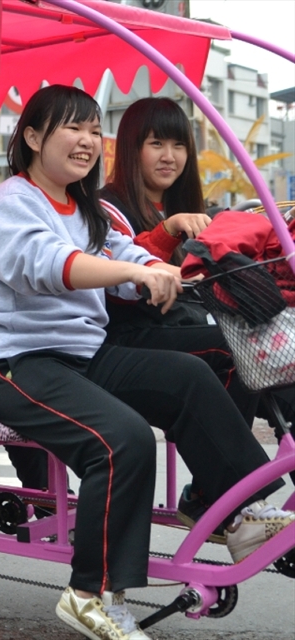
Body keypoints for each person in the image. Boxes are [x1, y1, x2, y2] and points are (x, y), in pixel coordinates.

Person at [0, 85, 292, 640]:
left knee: (195, 370)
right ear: (35, 137)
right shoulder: (12, 201)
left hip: (83, 356)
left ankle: (235, 513)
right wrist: (133, 275)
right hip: (12, 363)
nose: (88, 140)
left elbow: (127, 251)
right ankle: (90, 593)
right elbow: (45, 264)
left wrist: (168, 270)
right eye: (73, 128)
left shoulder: (86, 208)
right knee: (124, 439)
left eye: (94, 129)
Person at [101, 96, 295, 528]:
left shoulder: (180, 208)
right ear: (132, 148)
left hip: (174, 328)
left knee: (271, 350)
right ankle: (214, 496)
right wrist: (168, 232)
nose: (170, 156)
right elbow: (120, 285)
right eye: (156, 144)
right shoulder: (106, 209)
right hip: (124, 339)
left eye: (179, 145)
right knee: (236, 350)